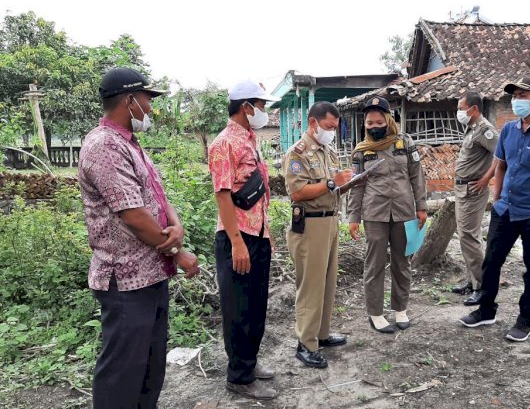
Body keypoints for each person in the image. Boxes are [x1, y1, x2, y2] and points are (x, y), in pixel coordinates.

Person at [78, 67, 200, 408]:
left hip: (150, 274)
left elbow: (156, 197)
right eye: (147, 99)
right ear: (130, 100)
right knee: (123, 372)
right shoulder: (103, 146)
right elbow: (132, 215)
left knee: (149, 367)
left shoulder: (130, 144)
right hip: (125, 280)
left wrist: (176, 225)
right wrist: (179, 252)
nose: (150, 107)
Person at [459, 77, 530, 342]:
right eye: (515, 95)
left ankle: (524, 321)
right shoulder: (508, 130)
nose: (518, 99)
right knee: (491, 262)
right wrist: (497, 198)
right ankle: (486, 311)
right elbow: (501, 164)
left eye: (523, 94)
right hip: (505, 209)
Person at [207, 79, 280, 400]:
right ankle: (239, 377)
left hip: (257, 235)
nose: (264, 112)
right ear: (245, 107)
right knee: (238, 309)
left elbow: (256, 194)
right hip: (236, 238)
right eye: (261, 106)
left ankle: (248, 363)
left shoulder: (250, 141)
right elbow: (223, 195)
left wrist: (267, 235)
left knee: (255, 307)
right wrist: (237, 242)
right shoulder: (224, 143)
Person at [348, 96, 427, 334]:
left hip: (404, 211)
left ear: (388, 120)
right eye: (369, 123)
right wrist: (353, 217)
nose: (374, 126)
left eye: (378, 121)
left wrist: (421, 206)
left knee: (402, 262)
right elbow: (357, 185)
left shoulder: (405, 143)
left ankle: (400, 309)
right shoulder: (361, 151)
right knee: (375, 265)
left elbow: (416, 176)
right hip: (375, 215)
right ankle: (376, 313)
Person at [283, 101, 353, 368]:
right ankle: (305, 343)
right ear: (313, 123)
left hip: (330, 221)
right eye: (328, 126)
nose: (332, 131)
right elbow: (298, 192)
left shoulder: (328, 152)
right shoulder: (297, 153)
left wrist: (349, 181)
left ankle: (320, 335)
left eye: (335, 127)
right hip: (310, 225)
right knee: (311, 286)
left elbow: (330, 188)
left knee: (327, 282)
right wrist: (334, 182)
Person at [452, 91, 499, 306]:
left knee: (469, 238)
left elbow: (502, 156)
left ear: (474, 109)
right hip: (463, 190)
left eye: (462, 108)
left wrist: (487, 178)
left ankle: (483, 287)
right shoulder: (471, 128)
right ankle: (472, 282)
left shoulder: (485, 130)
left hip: (473, 191)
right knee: (468, 238)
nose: (459, 112)